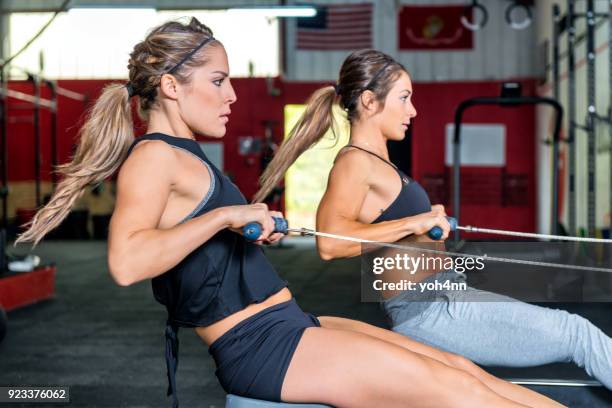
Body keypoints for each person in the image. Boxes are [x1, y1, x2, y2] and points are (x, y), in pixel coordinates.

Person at [16, 19, 564, 408]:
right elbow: (126, 262)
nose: (232, 94)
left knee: (459, 369)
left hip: (285, 321)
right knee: (460, 395)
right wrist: (222, 220)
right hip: (259, 346)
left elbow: (196, 247)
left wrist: (250, 230)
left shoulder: (185, 156)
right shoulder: (153, 155)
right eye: (218, 80)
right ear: (170, 87)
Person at [254, 48, 612, 391]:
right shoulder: (354, 162)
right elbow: (330, 242)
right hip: (432, 312)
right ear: (368, 101)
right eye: (403, 98)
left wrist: (425, 219)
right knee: (576, 334)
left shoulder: (380, 163)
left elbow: (392, 226)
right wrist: (415, 223)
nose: (412, 110)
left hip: (448, 297)